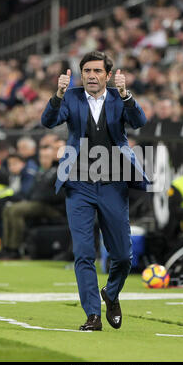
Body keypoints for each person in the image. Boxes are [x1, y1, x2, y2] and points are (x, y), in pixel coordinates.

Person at [41, 51, 148, 331]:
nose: (91, 75)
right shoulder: (71, 96)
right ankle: (93, 314)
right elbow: (48, 121)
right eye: (86, 70)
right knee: (84, 252)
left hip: (114, 183)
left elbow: (139, 121)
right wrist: (58, 95)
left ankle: (111, 294)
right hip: (78, 184)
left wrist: (126, 95)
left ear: (107, 76)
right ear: (81, 74)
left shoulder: (118, 98)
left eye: (97, 71)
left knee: (123, 256)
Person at [0, 145, 66, 258]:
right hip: (38, 204)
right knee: (7, 209)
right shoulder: (41, 172)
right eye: (41, 157)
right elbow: (32, 192)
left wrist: (39, 196)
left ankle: (15, 248)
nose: (43, 160)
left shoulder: (59, 171)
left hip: (53, 208)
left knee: (15, 210)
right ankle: (7, 247)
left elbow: (58, 194)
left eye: (47, 157)